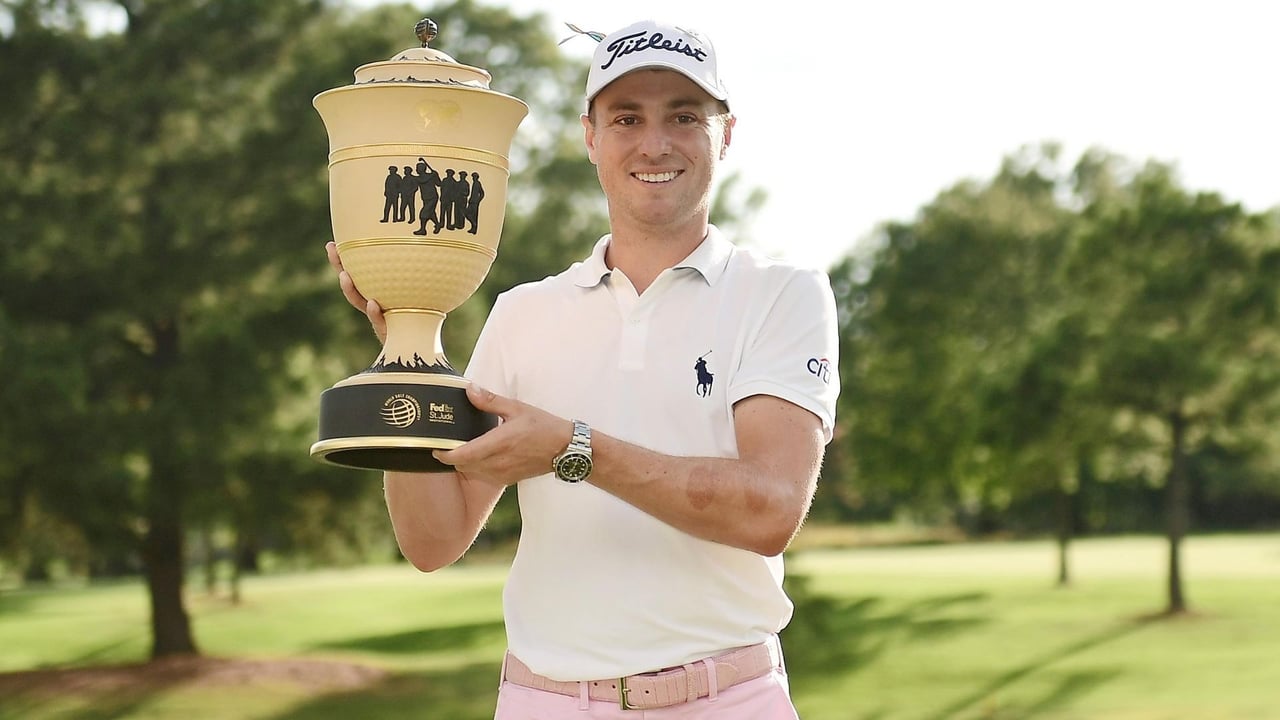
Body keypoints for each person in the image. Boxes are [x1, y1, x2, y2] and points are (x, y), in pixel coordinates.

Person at [326, 19, 839, 719]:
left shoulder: (783, 292)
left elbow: (770, 510)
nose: (654, 142)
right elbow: (432, 541)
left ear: (725, 133)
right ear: (590, 135)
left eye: (683, 116)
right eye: (626, 117)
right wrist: (410, 356)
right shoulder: (522, 313)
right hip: (548, 702)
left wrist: (574, 449)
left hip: (727, 700)